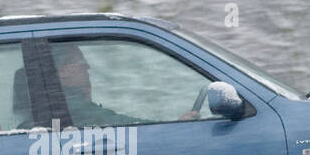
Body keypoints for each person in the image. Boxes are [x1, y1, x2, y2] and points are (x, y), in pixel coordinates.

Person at [53, 43, 201, 125]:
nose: (87, 67)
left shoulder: (60, 101)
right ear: (62, 71)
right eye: (80, 63)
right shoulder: (70, 105)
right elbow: (116, 122)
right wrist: (173, 127)